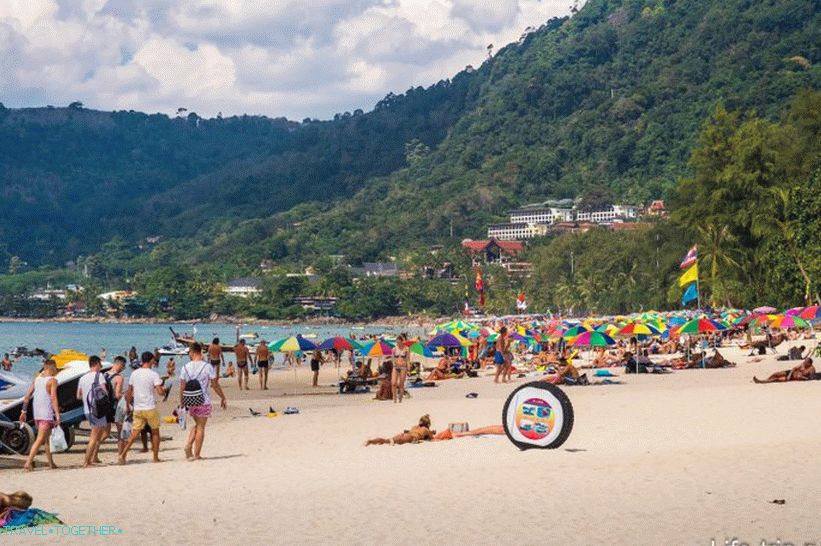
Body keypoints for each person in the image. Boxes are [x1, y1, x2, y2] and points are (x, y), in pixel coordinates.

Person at [179, 343, 227, 461]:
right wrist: (222, 397)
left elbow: (182, 386)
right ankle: (196, 453)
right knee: (201, 427)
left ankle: (189, 444)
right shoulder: (207, 366)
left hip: (190, 400)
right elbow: (214, 385)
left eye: (189, 352)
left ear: (193, 352)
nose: (188, 354)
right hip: (203, 400)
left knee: (197, 424)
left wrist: (182, 402)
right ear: (200, 352)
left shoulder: (185, 367)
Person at [119, 352, 165, 464]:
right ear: (150, 361)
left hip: (138, 407)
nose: (154, 362)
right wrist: (164, 391)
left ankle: (123, 454)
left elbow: (129, 392)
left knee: (134, 433)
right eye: (153, 360)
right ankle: (155, 457)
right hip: (149, 407)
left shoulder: (134, 374)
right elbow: (159, 392)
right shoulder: (153, 374)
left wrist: (127, 405)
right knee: (155, 432)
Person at [20, 360, 60, 471]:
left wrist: (23, 411)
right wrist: (57, 414)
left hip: (36, 414)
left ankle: (51, 463)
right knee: (40, 439)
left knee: (46, 439)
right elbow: (53, 398)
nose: (56, 371)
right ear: (51, 368)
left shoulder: (36, 379)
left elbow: (27, 396)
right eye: (56, 368)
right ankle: (28, 463)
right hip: (46, 414)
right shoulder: (52, 381)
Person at [76, 355, 109, 467]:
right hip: (97, 409)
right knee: (94, 437)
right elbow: (105, 391)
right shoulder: (99, 376)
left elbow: (78, 396)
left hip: (87, 409)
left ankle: (93, 457)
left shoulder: (82, 378)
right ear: (96, 364)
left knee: (98, 434)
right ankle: (87, 461)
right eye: (100, 365)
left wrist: (88, 397)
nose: (101, 367)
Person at [104, 356, 127, 455]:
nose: (123, 369)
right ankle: (120, 455)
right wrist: (125, 396)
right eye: (123, 366)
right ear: (120, 364)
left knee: (105, 434)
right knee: (120, 433)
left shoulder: (104, 374)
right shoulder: (119, 377)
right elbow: (117, 395)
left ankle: (94, 454)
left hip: (105, 407)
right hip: (115, 407)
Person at [365, 415, 435, 445]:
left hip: (405, 434)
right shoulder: (426, 429)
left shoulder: (415, 426)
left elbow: (411, 432)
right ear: (428, 424)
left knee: (387, 440)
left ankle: (371, 441)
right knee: (389, 442)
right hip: (411, 437)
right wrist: (431, 433)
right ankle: (371, 441)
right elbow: (433, 439)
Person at [391, 334, 409, 403]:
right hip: (396, 367)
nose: (398, 343)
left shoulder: (406, 349)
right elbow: (392, 358)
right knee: (394, 383)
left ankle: (400, 399)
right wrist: (393, 364)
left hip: (403, 367)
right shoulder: (394, 349)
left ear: (402, 342)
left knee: (401, 384)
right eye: (397, 342)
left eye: (399, 342)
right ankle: (394, 397)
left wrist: (409, 368)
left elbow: (408, 360)